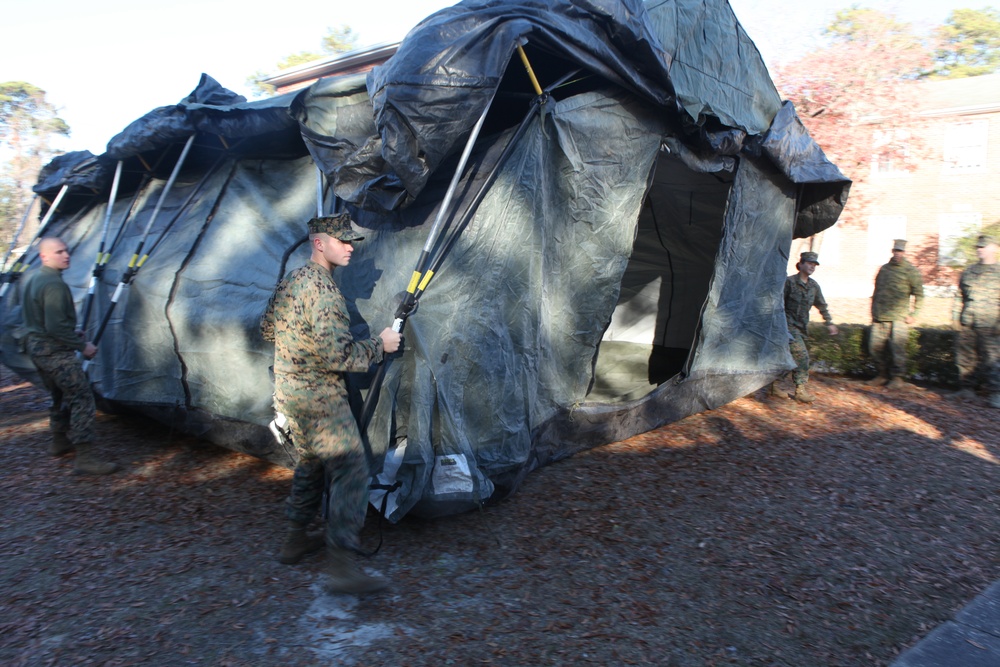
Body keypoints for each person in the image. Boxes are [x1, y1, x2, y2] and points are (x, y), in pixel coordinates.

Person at [260, 212, 402, 595]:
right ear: (318, 243)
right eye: (342, 241)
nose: (350, 247)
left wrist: (297, 344)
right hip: (319, 397)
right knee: (352, 469)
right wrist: (380, 345)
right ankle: (341, 567)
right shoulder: (323, 291)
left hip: (290, 394)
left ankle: (293, 540)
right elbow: (338, 357)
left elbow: (267, 328)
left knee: (311, 464)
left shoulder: (293, 280)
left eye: (351, 241)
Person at [21, 237, 118, 474]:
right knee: (82, 398)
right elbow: (54, 326)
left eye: (66, 250)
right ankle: (85, 458)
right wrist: (81, 345)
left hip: (38, 348)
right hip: (54, 352)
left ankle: (59, 441)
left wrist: (70, 330)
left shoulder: (34, 278)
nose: (66, 255)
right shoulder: (54, 284)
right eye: (58, 252)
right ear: (44, 256)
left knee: (57, 394)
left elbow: (42, 319)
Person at [770, 251, 839, 403]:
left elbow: (822, 305)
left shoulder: (813, 286)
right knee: (802, 356)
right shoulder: (789, 283)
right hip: (787, 327)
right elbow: (777, 303)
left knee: (787, 357)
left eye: (814, 264)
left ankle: (774, 385)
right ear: (800, 264)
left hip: (801, 328)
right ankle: (800, 390)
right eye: (809, 263)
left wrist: (829, 323)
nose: (812, 266)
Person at [867, 239, 924, 389]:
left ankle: (897, 378)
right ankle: (882, 375)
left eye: (901, 251)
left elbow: (919, 294)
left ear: (904, 252)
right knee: (875, 348)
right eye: (896, 251)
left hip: (899, 317)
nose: (898, 254)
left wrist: (914, 314)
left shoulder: (910, 271)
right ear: (892, 252)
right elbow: (877, 291)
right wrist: (873, 311)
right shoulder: (884, 269)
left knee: (897, 350)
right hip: (880, 316)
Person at [954, 234, 1000, 408]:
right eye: (978, 247)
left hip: (991, 323)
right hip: (968, 321)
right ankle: (967, 389)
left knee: (992, 359)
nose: (979, 249)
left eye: (984, 246)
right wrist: (955, 316)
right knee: (965, 356)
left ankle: (996, 393)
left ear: (995, 248)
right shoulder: (969, 271)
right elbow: (960, 295)